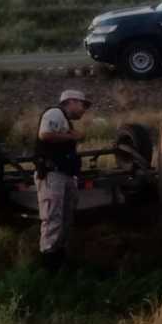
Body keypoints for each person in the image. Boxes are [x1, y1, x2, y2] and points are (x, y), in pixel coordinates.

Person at [34, 90, 91, 270]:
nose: (84, 110)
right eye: (82, 104)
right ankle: (49, 264)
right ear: (71, 101)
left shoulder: (64, 120)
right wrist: (72, 136)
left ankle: (59, 259)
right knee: (53, 218)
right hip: (53, 175)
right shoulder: (55, 113)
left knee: (65, 217)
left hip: (64, 175)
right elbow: (44, 134)